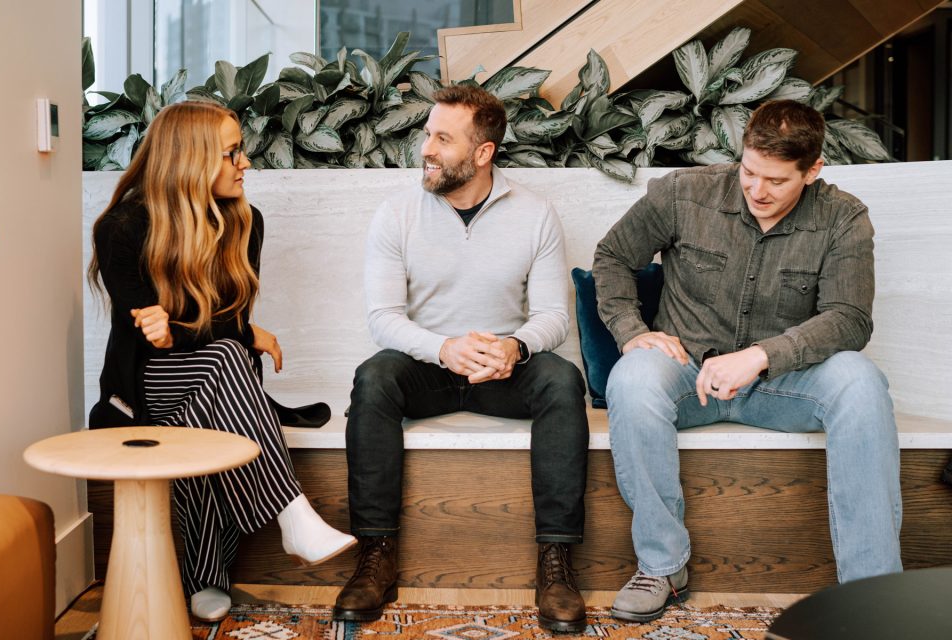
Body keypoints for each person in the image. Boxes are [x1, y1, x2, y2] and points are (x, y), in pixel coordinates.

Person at [593, 99, 902, 622]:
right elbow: (613, 258)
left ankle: (870, 593)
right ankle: (662, 565)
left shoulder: (844, 218)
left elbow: (850, 318)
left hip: (781, 384)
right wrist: (631, 332)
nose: (757, 191)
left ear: (813, 171)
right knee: (632, 378)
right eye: (749, 172)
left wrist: (761, 357)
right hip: (686, 374)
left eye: (776, 181)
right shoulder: (682, 193)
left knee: (861, 382)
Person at [332, 84, 590, 633]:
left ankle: (557, 564)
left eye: (442, 138)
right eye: (428, 133)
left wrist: (514, 346)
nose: (426, 147)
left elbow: (553, 315)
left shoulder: (536, 214)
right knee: (372, 379)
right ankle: (375, 554)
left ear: (482, 153)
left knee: (563, 381)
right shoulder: (397, 212)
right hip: (427, 365)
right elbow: (382, 317)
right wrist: (443, 349)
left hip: (501, 368)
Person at [88, 101, 356, 622]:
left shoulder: (245, 222)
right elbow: (158, 339)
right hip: (145, 385)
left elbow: (229, 321)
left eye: (242, 150)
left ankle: (207, 577)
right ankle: (292, 514)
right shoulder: (122, 228)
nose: (246, 163)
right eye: (232, 152)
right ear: (190, 159)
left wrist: (227, 330)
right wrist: (213, 332)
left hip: (212, 378)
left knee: (218, 384)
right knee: (227, 360)